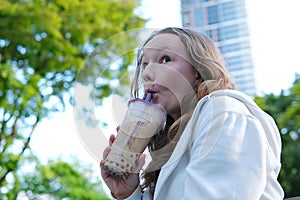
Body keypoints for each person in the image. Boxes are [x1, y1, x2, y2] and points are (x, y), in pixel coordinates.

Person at [100, 27, 284, 199]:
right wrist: (130, 193)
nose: (147, 73)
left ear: (198, 71)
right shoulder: (176, 140)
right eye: (144, 64)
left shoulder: (223, 112)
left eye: (165, 59)